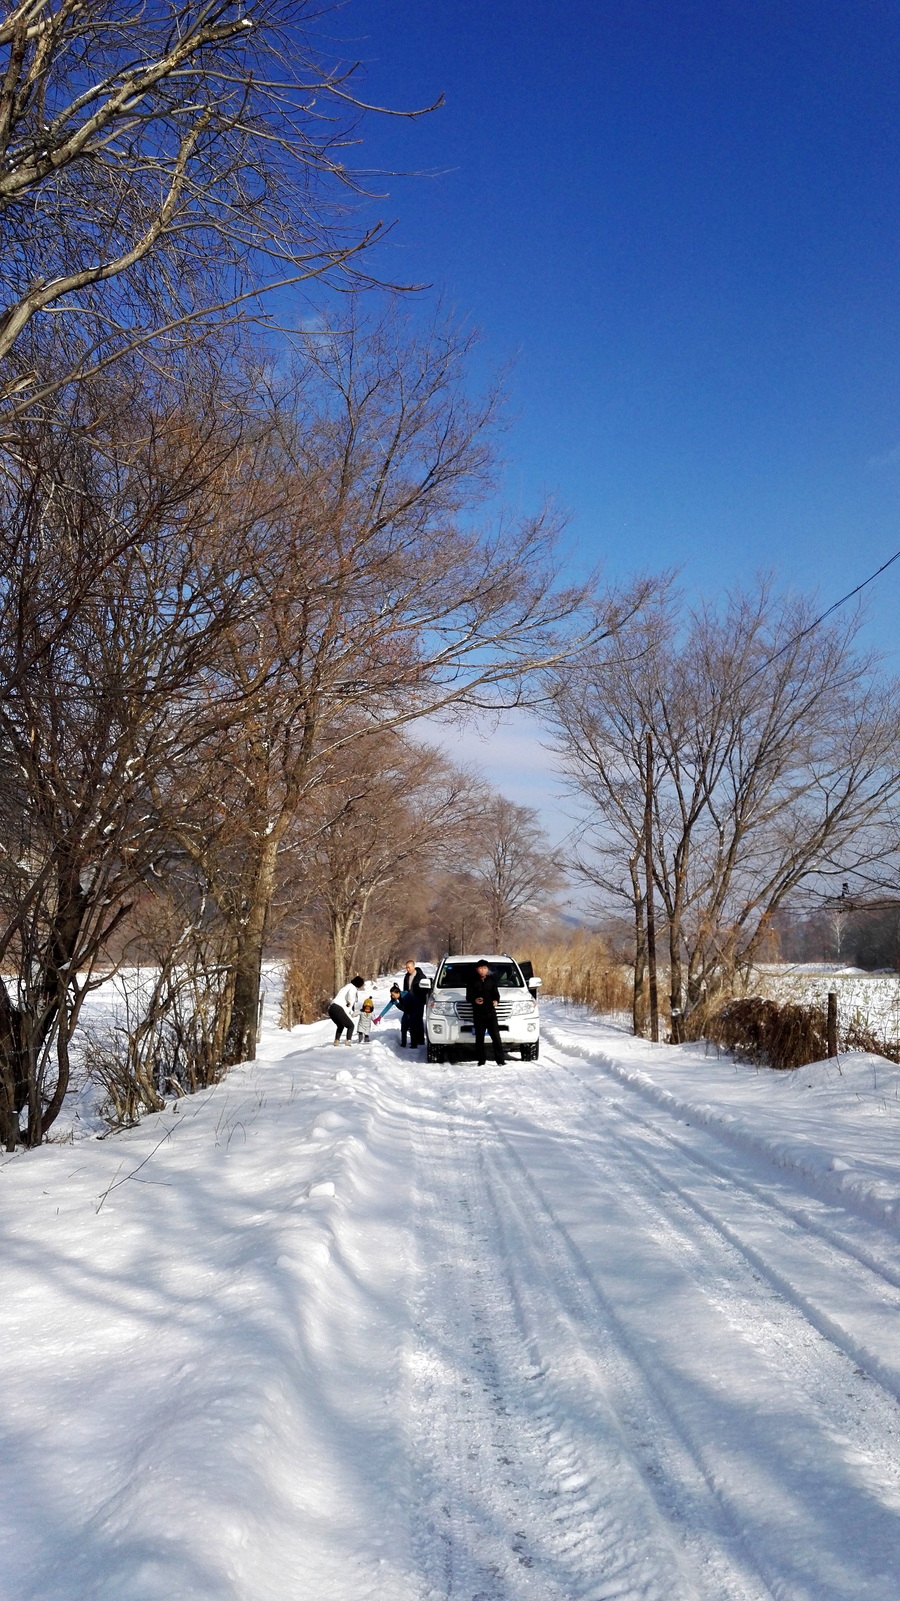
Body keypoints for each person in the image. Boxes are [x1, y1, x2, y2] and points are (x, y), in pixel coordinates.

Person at [465, 959, 506, 1066]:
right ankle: (481, 1060)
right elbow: (468, 997)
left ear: (487, 969)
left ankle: (500, 1060)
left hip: (491, 1013)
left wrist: (496, 1001)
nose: (482, 970)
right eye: (480, 968)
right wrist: (475, 1000)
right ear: (476, 969)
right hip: (478, 1013)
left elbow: (496, 994)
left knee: (496, 1037)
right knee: (480, 1037)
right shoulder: (472, 981)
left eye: (484, 968)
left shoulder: (491, 980)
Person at [328, 976, 366, 1045]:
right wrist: (349, 1002)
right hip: (338, 1008)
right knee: (351, 1026)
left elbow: (347, 1006)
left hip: (331, 1008)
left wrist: (352, 1012)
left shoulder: (346, 987)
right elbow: (350, 997)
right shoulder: (353, 988)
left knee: (340, 1025)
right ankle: (348, 1041)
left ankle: (337, 1040)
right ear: (359, 984)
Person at [401, 958, 427, 1048]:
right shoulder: (406, 976)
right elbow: (405, 989)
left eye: (409, 967)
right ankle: (414, 1040)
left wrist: (422, 1000)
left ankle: (420, 1040)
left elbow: (425, 989)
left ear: (413, 966)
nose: (407, 969)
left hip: (419, 1001)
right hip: (409, 1001)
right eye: (406, 968)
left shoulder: (421, 976)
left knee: (418, 1020)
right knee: (411, 1020)